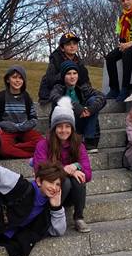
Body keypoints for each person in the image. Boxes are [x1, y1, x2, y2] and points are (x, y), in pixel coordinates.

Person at [32, 97, 93, 232]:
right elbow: (39, 172)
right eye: (59, 126)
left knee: (79, 178)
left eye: (67, 126)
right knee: (65, 181)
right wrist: (65, 170)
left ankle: (79, 218)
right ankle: (51, 212)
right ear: (54, 128)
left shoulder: (79, 145)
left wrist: (76, 166)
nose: (63, 130)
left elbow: (88, 174)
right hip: (49, 191)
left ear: (72, 128)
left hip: (70, 195)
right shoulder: (43, 145)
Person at [48, 60, 106, 152]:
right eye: (69, 74)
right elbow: (55, 97)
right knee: (62, 104)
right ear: (63, 76)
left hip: (81, 121)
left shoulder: (83, 87)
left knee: (93, 100)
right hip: (65, 123)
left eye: (75, 73)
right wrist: (76, 107)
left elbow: (101, 96)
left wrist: (90, 110)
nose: (72, 77)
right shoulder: (58, 88)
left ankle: (90, 140)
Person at [0, 65, 42, 158]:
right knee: (1, 147)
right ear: (8, 80)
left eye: (20, 78)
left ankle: (14, 148)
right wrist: (7, 125)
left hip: (25, 130)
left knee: (42, 143)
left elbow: (34, 119)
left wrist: (22, 127)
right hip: (7, 131)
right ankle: (30, 155)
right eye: (14, 77)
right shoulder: (0, 97)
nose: (17, 80)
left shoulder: (27, 97)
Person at [37, 32, 93, 104]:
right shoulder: (55, 61)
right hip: (55, 96)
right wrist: (67, 75)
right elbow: (51, 81)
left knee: (92, 100)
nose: (72, 46)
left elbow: (86, 81)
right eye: (68, 44)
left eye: (74, 43)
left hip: (75, 95)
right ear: (62, 48)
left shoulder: (79, 63)